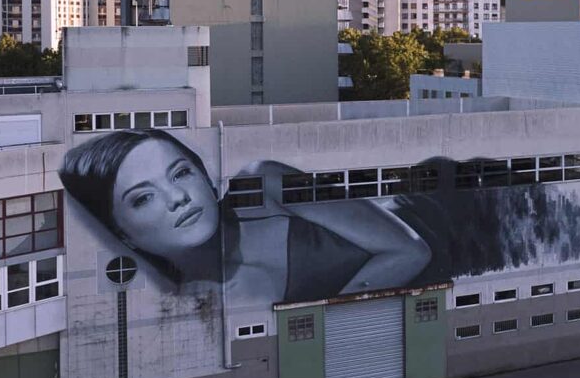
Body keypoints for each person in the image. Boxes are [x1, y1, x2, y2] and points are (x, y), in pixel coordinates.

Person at [59, 130, 431, 305]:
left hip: (451, 225)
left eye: (180, 173)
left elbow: (410, 251)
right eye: (143, 198)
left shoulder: (263, 184)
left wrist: (319, 318)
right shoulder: (193, 303)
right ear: (123, 235)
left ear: (205, 176)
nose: (177, 198)